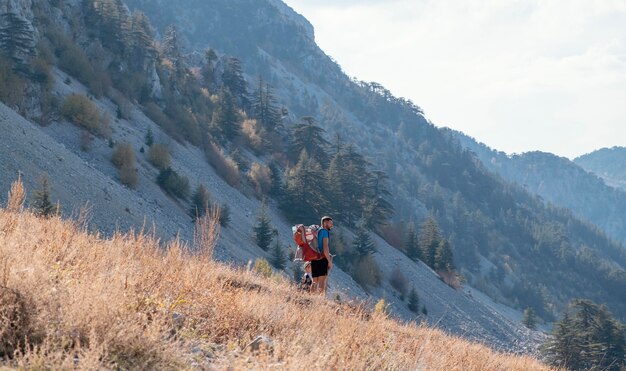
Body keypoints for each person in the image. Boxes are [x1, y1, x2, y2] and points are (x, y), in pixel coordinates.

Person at [311, 216, 333, 294]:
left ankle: (311, 297)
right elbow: (325, 248)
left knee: (314, 281)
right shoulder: (325, 232)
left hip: (314, 258)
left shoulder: (318, 231)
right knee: (322, 281)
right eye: (330, 223)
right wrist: (329, 261)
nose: (331, 225)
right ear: (325, 222)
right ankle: (320, 300)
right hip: (322, 259)